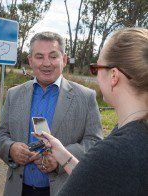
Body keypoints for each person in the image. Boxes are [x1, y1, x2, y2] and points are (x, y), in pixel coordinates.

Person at [33, 27, 148, 195]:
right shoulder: (135, 134)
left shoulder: (114, 152)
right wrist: (64, 155)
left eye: (97, 68)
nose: (96, 76)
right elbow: (101, 180)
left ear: (114, 76)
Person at [0, 31, 103, 196]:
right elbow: (1, 135)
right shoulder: (13, 94)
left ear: (63, 60)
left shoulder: (86, 97)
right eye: (39, 57)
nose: (46, 63)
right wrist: (11, 149)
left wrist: (61, 158)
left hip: (64, 189)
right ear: (30, 60)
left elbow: (94, 143)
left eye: (53, 56)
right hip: (18, 189)